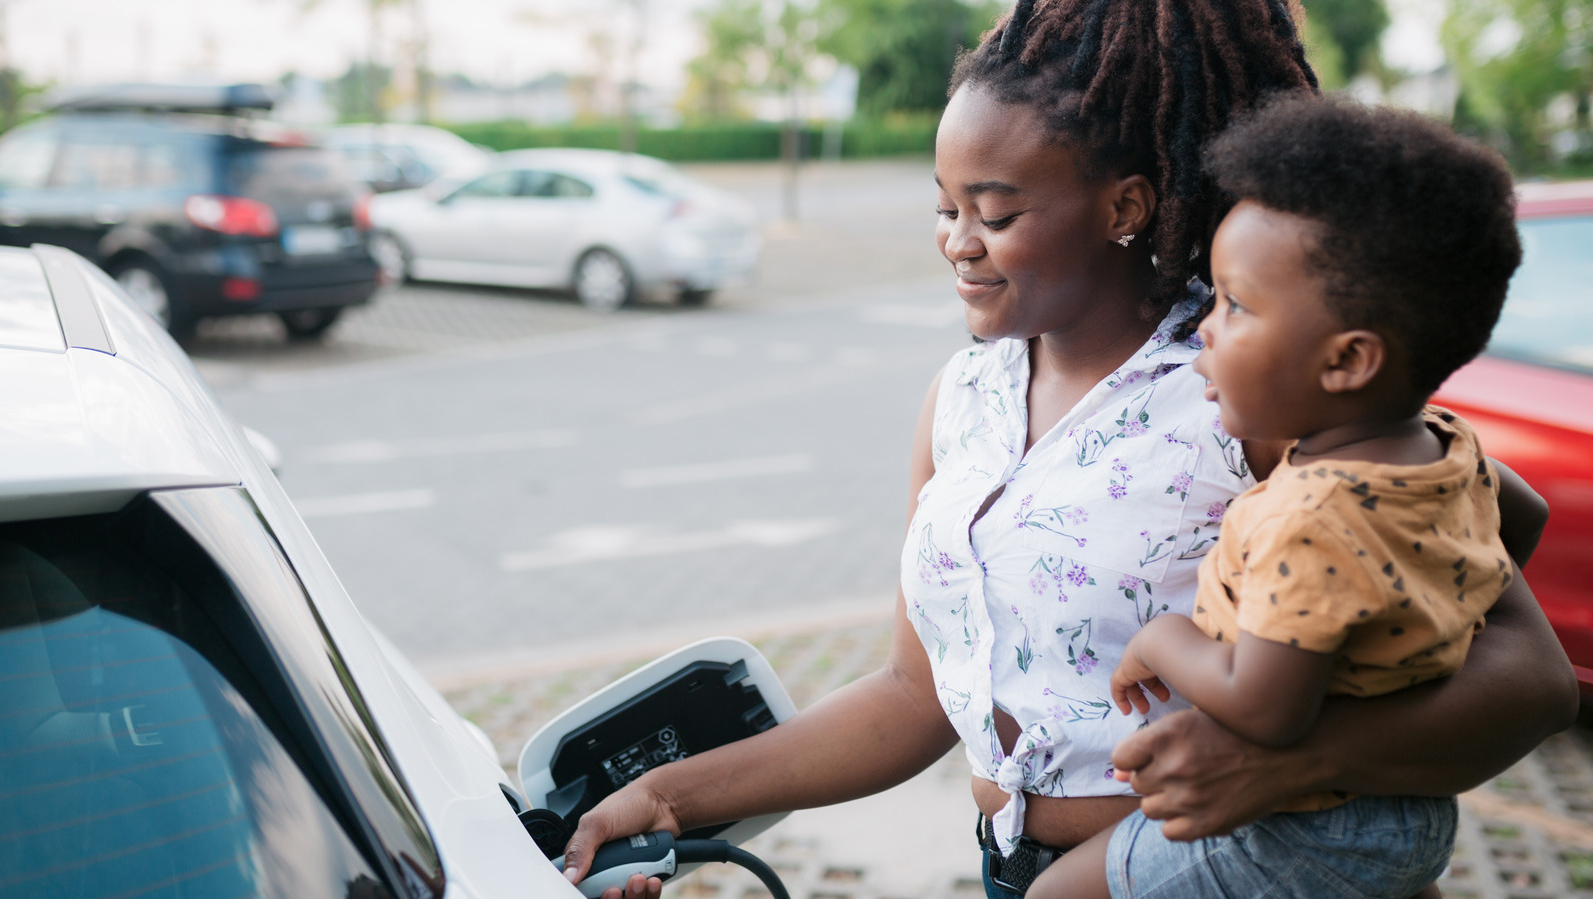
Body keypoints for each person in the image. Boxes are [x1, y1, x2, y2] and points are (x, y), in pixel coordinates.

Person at [560, 3, 1577, 898]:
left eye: (994, 211)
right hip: (1024, 870)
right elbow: (917, 697)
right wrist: (662, 799)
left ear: (1124, 206)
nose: (957, 238)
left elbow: (1528, 673)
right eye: (943, 206)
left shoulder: (1248, 382)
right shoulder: (963, 398)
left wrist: (1286, 762)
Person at [1021, 94, 1526, 899]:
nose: (1207, 329)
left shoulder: (1315, 514)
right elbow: (1516, 528)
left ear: (1348, 361)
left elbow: (1265, 710)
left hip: (1304, 824)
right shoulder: (1441, 448)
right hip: (1407, 802)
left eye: (1236, 305)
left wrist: (1162, 637)